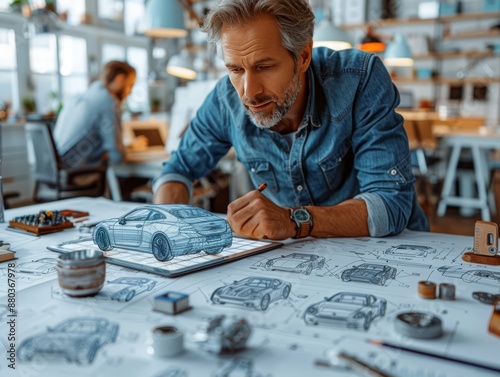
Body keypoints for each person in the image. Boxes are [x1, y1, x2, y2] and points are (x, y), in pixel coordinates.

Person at [153, 0, 429, 240]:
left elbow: (390, 205)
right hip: (292, 258)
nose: (249, 92)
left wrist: (293, 220)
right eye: (236, 69)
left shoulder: (358, 79)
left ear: (303, 56)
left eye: (264, 67)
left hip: (390, 252)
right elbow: (177, 171)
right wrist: (165, 229)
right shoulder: (225, 99)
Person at [53, 60, 139, 168]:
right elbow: (117, 156)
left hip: (56, 169)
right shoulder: (108, 101)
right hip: (76, 172)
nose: (130, 92)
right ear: (120, 79)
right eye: (130, 85)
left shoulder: (83, 95)